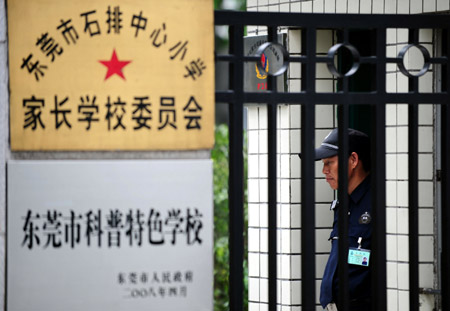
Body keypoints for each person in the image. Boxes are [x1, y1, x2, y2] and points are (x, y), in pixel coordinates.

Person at [314, 128, 372, 311]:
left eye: (329, 162)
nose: (324, 170)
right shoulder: (344, 203)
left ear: (353, 160)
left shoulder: (379, 202)